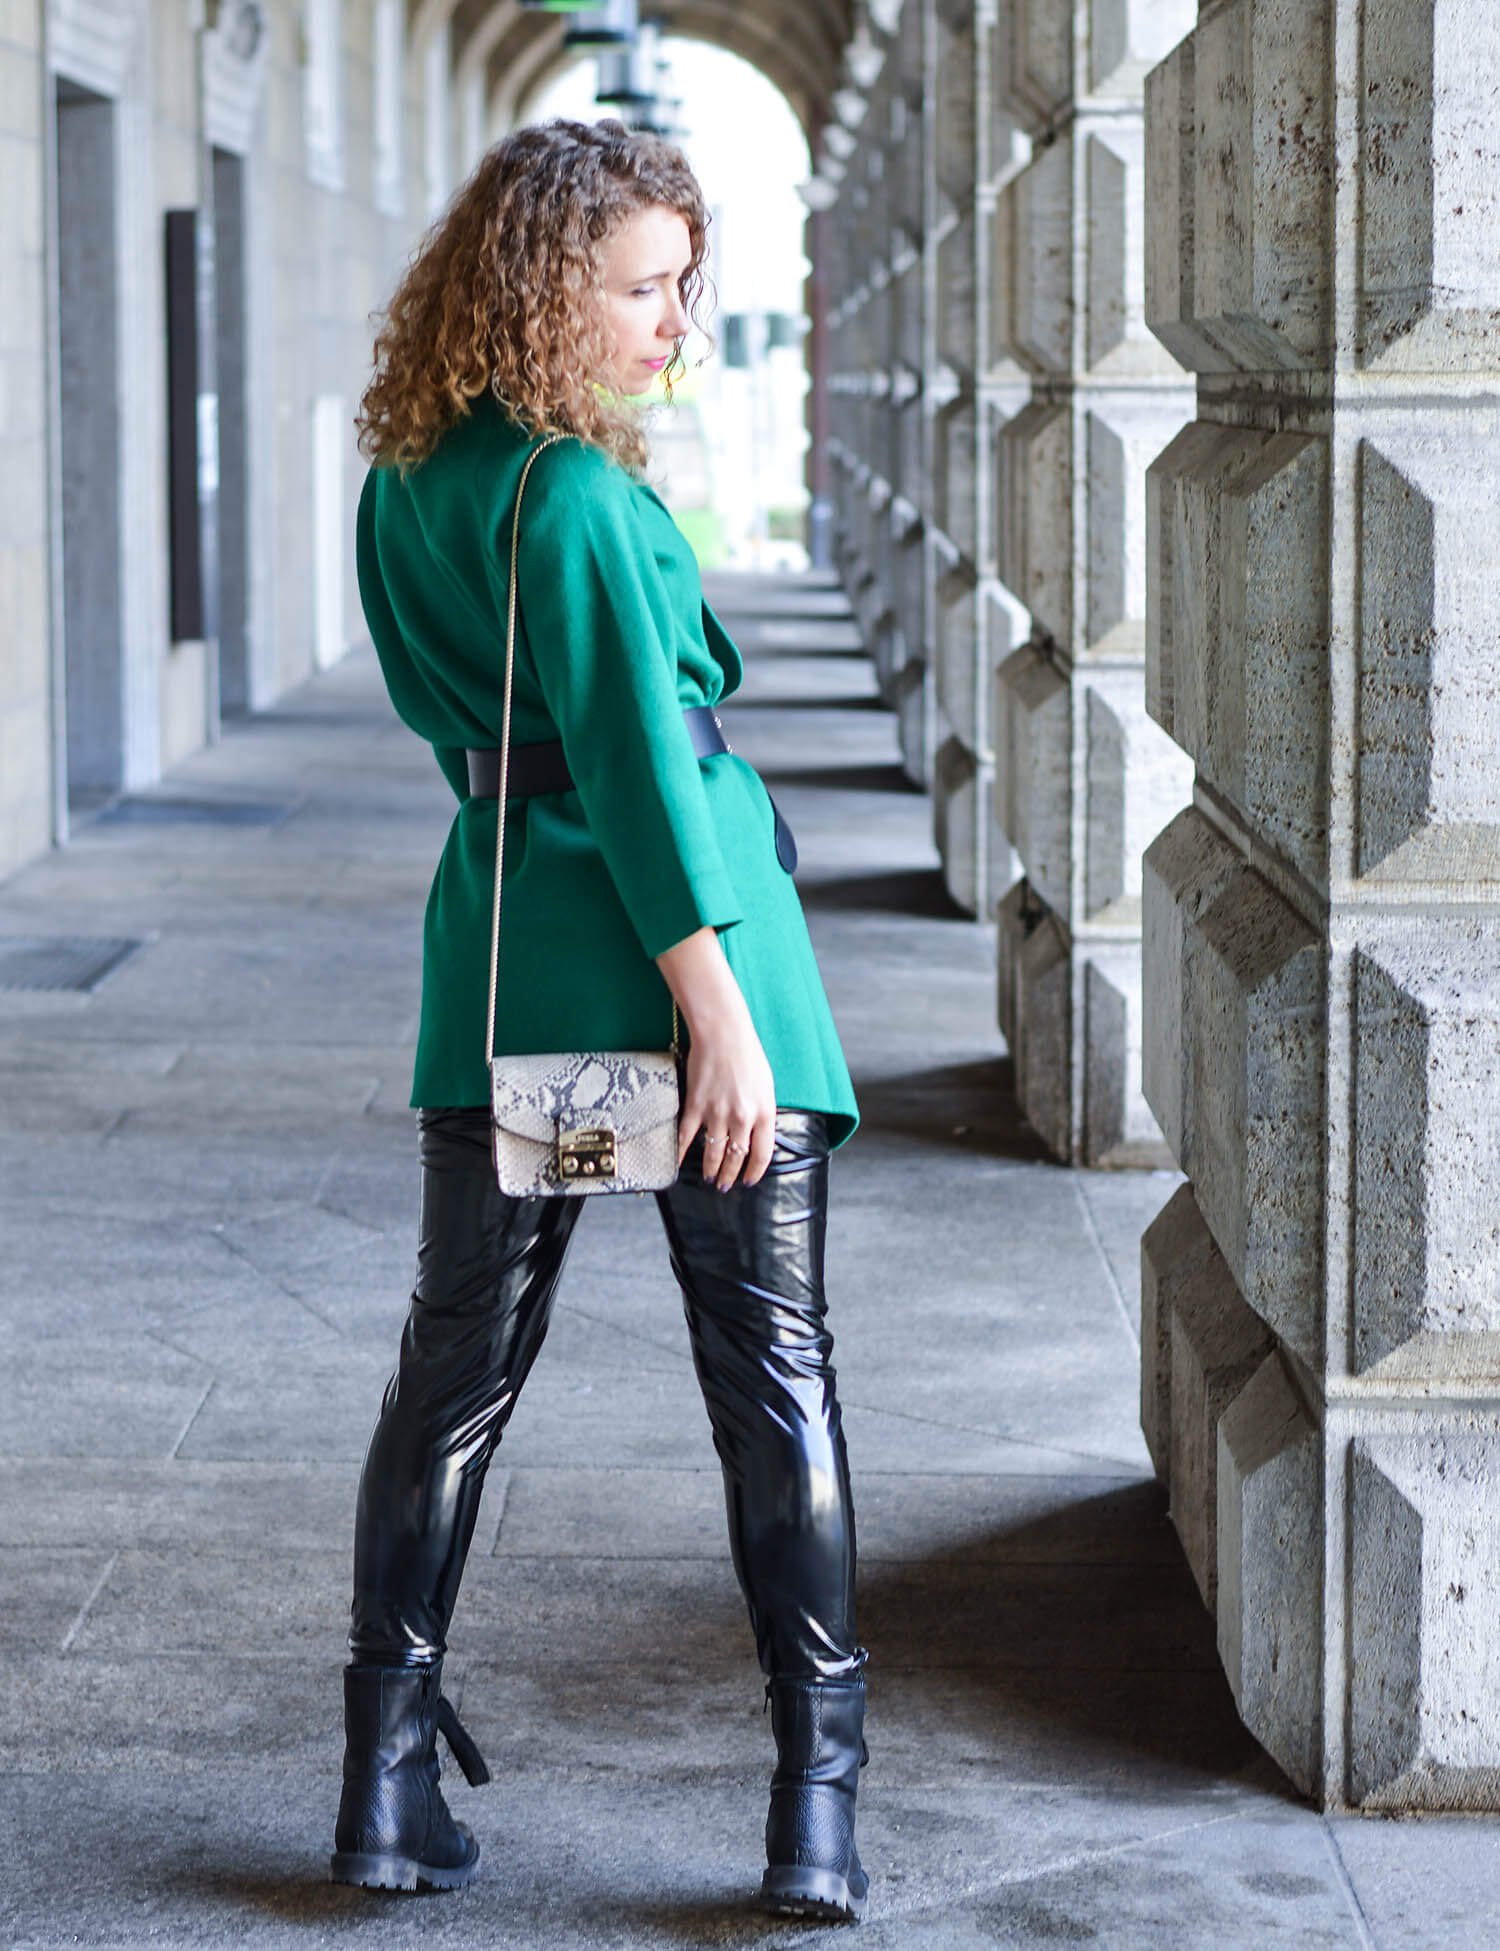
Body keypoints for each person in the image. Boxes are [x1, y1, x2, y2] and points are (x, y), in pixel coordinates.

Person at [330, 117, 867, 1924]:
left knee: (455, 1380)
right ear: (545, 283)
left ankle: (385, 1793)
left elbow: (491, 744)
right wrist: (721, 1020)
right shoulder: (574, 496)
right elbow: (643, 770)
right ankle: (818, 1817)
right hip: (687, 971)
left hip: (512, 981)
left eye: (683, 286)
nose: (673, 324)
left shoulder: (404, 479)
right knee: (771, 1381)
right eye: (640, 288)